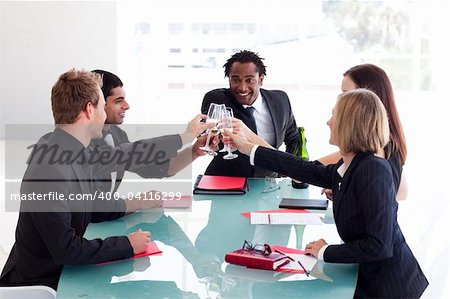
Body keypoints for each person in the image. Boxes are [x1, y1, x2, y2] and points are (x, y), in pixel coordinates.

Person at [0, 69, 212, 290]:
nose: (104, 114)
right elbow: (66, 249)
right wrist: (126, 245)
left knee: (161, 289)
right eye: (102, 106)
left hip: (67, 272)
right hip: (44, 285)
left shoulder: (69, 149)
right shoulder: (52, 165)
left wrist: (136, 209)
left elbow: (107, 186)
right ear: (89, 110)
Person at [225, 89, 428, 298]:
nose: (328, 122)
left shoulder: (373, 169)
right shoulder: (351, 165)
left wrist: (324, 251)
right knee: (268, 290)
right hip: (363, 275)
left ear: (349, 123)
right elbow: (303, 168)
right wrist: (248, 148)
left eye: (334, 115)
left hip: (384, 288)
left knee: (272, 292)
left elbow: (379, 246)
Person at [90, 69, 211, 199]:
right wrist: (185, 136)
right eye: (118, 101)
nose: (127, 105)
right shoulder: (83, 139)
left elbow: (157, 168)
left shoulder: (117, 134)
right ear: (98, 103)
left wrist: (194, 151)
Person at [200, 50, 299, 177]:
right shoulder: (218, 99)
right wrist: (210, 141)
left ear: (261, 79)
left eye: (249, 80)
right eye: (235, 80)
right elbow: (206, 132)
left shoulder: (280, 100)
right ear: (229, 80)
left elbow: (295, 140)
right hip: (226, 183)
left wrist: (286, 172)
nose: (242, 87)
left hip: (269, 183)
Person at [318, 64, 408, 201]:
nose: (341, 100)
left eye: (346, 94)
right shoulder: (389, 143)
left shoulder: (371, 149)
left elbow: (309, 169)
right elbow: (401, 192)